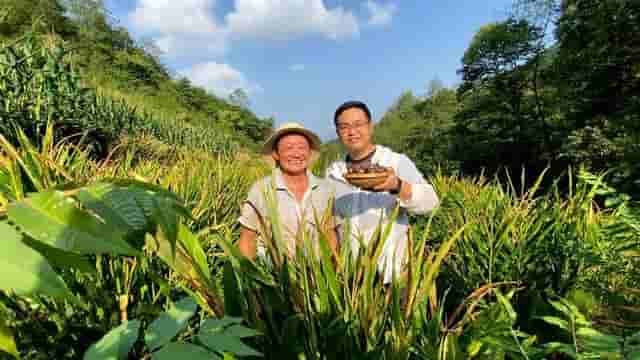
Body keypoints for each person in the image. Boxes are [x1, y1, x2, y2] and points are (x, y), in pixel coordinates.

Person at [327, 101, 439, 283]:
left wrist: (397, 186)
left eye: (358, 124)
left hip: (393, 275)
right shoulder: (334, 173)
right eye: (344, 126)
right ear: (338, 132)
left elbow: (431, 203)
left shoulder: (395, 162)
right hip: (353, 279)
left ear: (370, 127)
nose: (352, 131)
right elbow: (330, 222)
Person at [238, 122, 339, 260]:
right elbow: (248, 238)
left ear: (309, 153)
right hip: (274, 275)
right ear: (276, 154)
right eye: (288, 148)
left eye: (301, 147)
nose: (296, 154)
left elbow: (330, 235)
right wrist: (245, 276)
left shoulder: (325, 189)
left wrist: (332, 274)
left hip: (317, 275)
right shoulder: (261, 189)